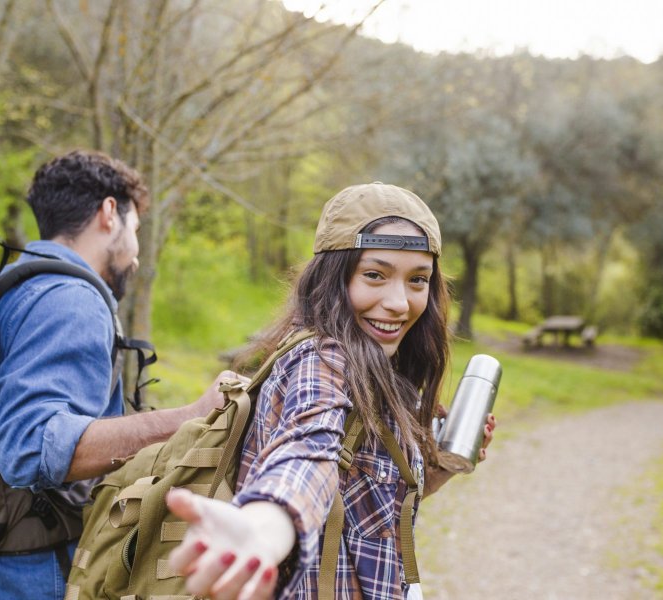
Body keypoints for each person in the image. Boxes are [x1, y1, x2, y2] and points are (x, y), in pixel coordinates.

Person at [0, 150, 228, 599]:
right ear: (109, 213)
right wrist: (189, 417)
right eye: (136, 230)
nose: (135, 254)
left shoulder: (16, 283)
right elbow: (29, 444)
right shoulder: (70, 299)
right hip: (15, 575)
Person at [166, 182, 496, 600]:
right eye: (374, 275)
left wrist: (441, 465)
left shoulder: (384, 373)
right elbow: (308, 452)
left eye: (418, 280)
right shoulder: (321, 361)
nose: (399, 302)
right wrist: (264, 528)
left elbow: (372, 512)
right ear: (334, 278)